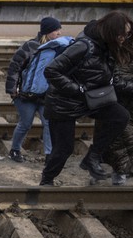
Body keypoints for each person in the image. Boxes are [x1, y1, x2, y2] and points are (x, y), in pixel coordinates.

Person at [40, 11, 132, 186]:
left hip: (90, 100)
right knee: (64, 149)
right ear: (113, 31)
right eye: (123, 34)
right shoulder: (84, 46)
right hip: (64, 103)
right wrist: (77, 89)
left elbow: (114, 80)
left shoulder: (108, 48)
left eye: (127, 34)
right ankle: (47, 181)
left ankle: (92, 157)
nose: (124, 38)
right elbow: (51, 70)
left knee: (120, 116)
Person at [5, 17, 64, 163]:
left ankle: (49, 155)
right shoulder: (31, 46)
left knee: (49, 123)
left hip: (46, 96)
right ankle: (15, 150)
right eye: (56, 30)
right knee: (25, 123)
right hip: (26, 95)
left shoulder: (58, 48)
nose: (59, 33)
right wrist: (12, 89)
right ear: (47, 32)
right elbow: (15, 67)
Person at [104, 36, 133, 185]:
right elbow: (118, 81)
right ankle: (118, 182)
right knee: (121, 146)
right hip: (124, 107)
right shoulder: (124, 52)